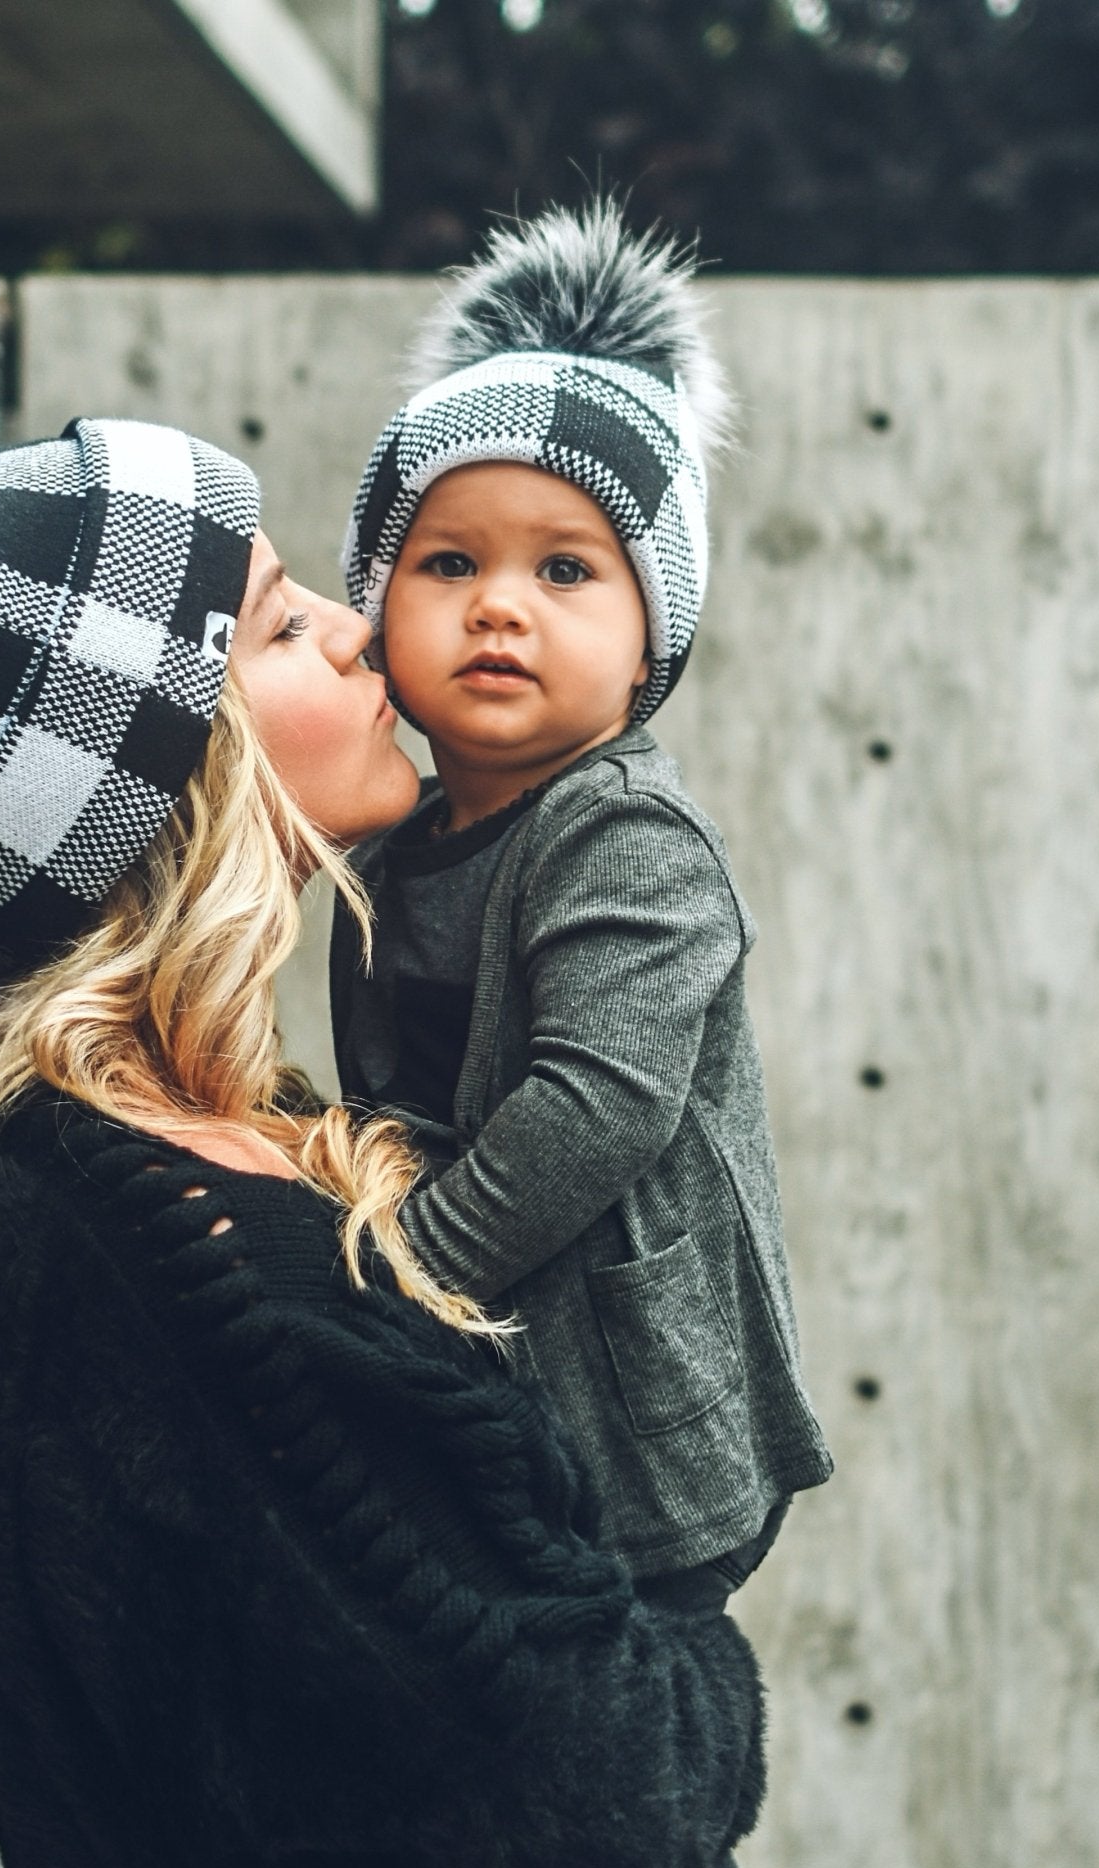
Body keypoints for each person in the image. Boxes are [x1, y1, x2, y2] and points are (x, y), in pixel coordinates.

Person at [0, 354, 768, 1868]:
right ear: (161, 769)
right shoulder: (208, 1262)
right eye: (275, 623)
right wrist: (710, 1663)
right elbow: (618, 1806)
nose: (356, 622)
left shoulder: (103, 1159)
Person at [332, 201, 834, 1614]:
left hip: (640, 1426)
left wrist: (396, 1281)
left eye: (565, 570)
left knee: (618, 1717)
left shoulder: (627, 834)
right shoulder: (398, 833)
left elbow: (594, 1108)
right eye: (450, 564)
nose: (502, 607)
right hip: (499, 1383)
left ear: (648, 641)